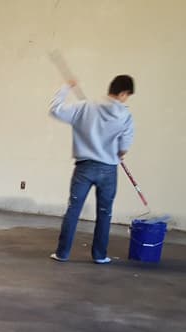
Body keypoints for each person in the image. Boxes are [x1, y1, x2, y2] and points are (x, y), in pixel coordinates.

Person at [49, 75, 135, 264]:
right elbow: (124, 146)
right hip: (109, 169)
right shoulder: (126, 116)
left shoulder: (84, 106)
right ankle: (99, 255)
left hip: (84, 168)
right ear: (122, 93)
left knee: (73, 210)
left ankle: (62, 253)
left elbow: (55, 110)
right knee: (104, 213)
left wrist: (66, 88)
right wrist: (119, 152)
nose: (126, 99)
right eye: (127, 95)